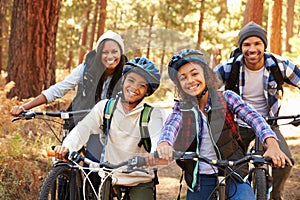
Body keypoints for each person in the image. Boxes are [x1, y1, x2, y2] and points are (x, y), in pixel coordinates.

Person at [156, 48, 292, 200]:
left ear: (206, 75)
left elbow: (255, 119)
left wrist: (272, 144)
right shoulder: (181, 108)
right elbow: (171, 126)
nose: (190, 81)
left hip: (233, 171)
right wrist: (164, 143)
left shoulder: (227, 98)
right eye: (183, 78)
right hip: (200, 177)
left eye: (195, 74)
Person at [10, 30, 127, 190]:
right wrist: (25, 106)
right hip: (78, 118)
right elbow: (58, 89)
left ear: (121, 52)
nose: (110, 56)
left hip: (106, 124)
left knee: (96, 169)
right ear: (99, 53)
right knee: (62, 157)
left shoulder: (127, 72)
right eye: (105, 52)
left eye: (115, 51)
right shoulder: (86, 69)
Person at [54, 57, 165, 200]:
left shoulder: (152, 114)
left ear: (147, 91)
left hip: (140, 178)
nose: (134, 88)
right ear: (123, 80)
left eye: (142, 85)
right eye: (131, 80)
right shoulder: (105, 107)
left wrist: (156, 153)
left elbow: (158, 137)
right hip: (109, 176)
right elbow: (83, 129)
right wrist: (67, 147)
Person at [214, 21, 300, 200]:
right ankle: (234, 194)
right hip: (239, 125)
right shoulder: (229, 67)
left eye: (257, 43)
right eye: (246, 44)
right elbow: (205, 90)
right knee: (233, 166)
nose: (252, 49)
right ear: (241, 47)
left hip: (269, 124)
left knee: (285, 164)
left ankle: (275, 196)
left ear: (264, 45)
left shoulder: (279, 64)